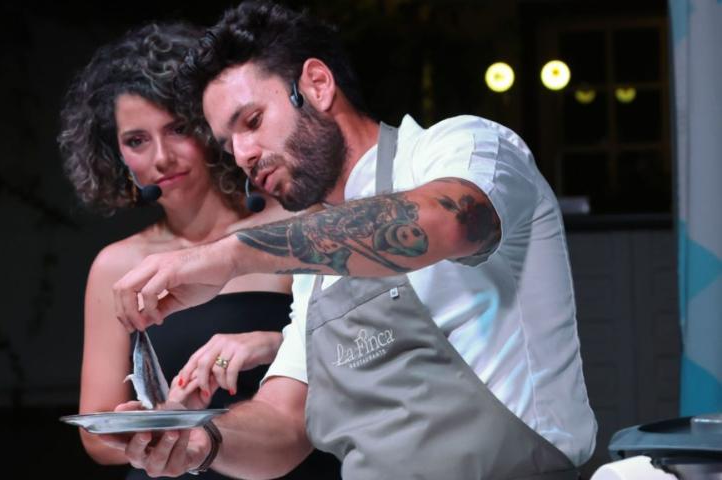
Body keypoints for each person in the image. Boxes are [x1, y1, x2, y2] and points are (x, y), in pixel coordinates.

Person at [112, 2, 598, 479]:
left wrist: (232, 255)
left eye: (253, 121)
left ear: (317, 85)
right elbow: (283, 421)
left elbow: (445, 221)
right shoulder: (312, 267)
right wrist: (200, 440)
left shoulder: (464, 146)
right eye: (228, 144)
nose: (243, 155)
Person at [58, 21, 338, 480]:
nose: (161, 157)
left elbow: (356, 359)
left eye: (178, 129)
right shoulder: (116, 265)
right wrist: (157, 423)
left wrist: (272, 345)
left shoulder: (293, 227)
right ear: (115, 156)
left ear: (211, 129)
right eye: (136, 141)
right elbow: (96, 436)